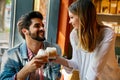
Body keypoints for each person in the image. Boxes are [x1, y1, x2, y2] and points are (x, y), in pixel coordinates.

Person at [52, 0, 120, 80]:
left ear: (82, 17)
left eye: (72, 17)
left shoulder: (107, 33)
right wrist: (56, 59)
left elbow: (96, 66)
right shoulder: (74, 35)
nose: (70, 22)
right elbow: (76, 64)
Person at [0, 11, 61, 80]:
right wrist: (26, 70)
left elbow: (56, 76)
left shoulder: (54, 49)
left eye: (42, 26)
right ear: (25, 31)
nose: (42, 29)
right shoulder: (11, 55)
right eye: (37, 26)